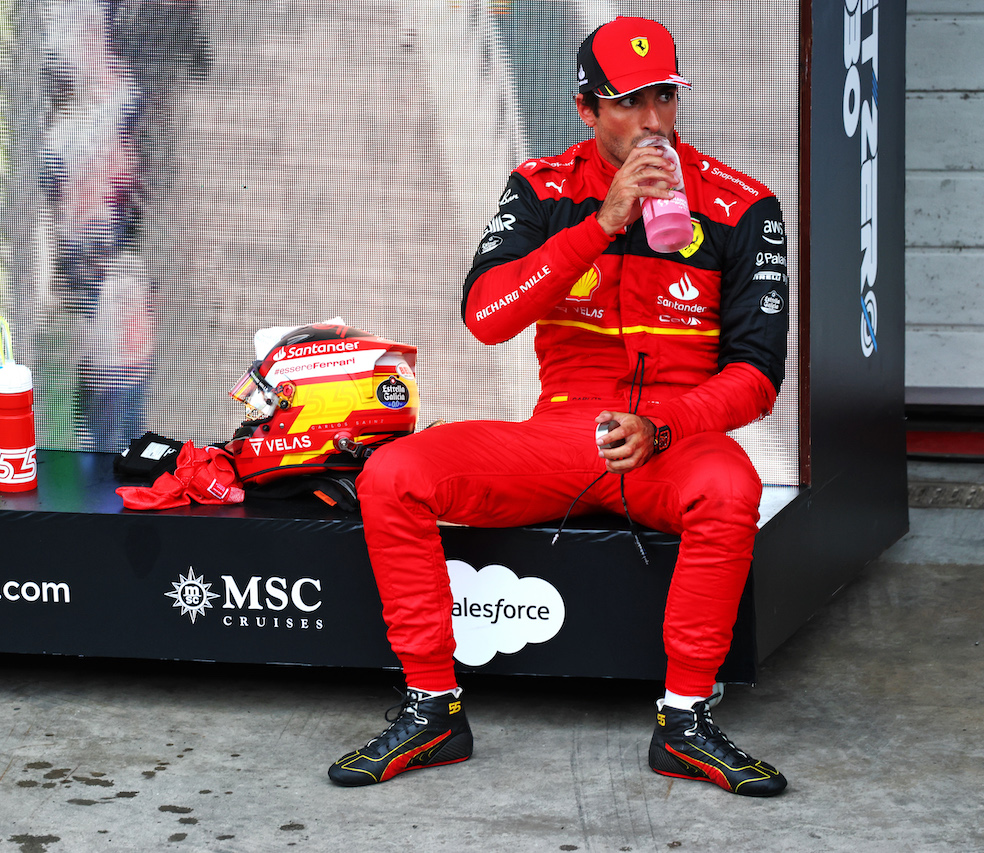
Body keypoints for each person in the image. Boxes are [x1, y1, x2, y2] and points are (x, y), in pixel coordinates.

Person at [328, 16, 790, 797]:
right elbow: (487, 317)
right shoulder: (541, 187)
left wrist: (665, 426)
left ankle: (685, 723)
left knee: (732, 487)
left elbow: (757, 376)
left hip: (670, 439)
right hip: (564, 434)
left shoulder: (745, 205)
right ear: (586, 108)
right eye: (629, 102)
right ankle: (433, 709)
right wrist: (600, 225)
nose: (653, 123)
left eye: (665, 99)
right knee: (393, 474)